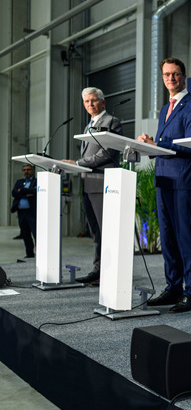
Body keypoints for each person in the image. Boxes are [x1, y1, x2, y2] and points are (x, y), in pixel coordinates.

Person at [137, 57, 191, 313]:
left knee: (185, 237)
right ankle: (173, 287)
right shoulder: (167, 107)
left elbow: (189, 146)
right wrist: (150, 143)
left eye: (175, 74)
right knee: (167, 238)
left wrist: (159, 145)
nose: (171, 79)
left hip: (183, 181)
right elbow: (167, 143)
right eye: (166, 75)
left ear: (184, 76)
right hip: (163, 179)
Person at [62, 87, 123, 284]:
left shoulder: (111, 121)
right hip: (88, 183)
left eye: (94, 101)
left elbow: (107, 153)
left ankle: (109, 270)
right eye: (87, 102)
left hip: (103, 183)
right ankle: (98, 269)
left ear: (103, 102)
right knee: (95, 230)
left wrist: (78, 163)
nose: (90, 104)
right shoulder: (89, 124)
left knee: (106, 229)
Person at [11, 164, 36, 258]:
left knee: (35, 233)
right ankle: (29, 253)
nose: (26, 171)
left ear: (33, 171)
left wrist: (21, 191)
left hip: (32, 212)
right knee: (25, 234)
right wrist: (27, 192)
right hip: (21, 212)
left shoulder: (36, 181)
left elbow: (35, 192)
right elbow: (14, 192)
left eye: (28, 169)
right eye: (24, 170)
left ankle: (41, 254)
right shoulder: (19, 182)